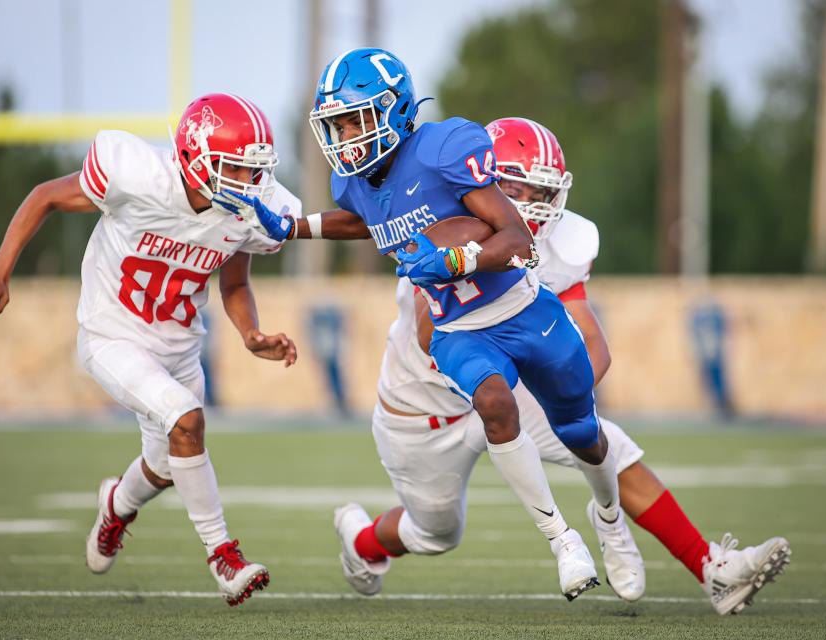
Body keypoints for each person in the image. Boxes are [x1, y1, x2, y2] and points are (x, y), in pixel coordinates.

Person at [331, 115, 788, 615]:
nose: (532, 206)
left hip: (502, 391)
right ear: (479, 183)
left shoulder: (549, 243)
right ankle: (363, 544)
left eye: (542, 193)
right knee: (436, 532)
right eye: (517, 189)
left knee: (607, 444)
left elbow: (594, 343)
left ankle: (711, 567)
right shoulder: (437, 228)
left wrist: (564, 401)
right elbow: (430, 333)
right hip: (426, 409)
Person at [225, 47, 637, 601]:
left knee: (586, 436)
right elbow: (365, 220)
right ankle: (564, 541)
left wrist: (457, 260)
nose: (345, 137)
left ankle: (609, 519)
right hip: (458, 330)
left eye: (354, 120)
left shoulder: (444, 149)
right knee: (496, 404)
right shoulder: (356, 181)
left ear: (392, 110)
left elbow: (516, 238)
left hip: (521, 308)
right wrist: (293, 226)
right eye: (337, 125)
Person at [0, 93, 299, 607]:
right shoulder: (137, 177)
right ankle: (223, 555)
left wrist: (250, 333)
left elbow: (234, 284)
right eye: (236, 168)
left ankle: (116, 506)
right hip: (112, 334)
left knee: (166, 465)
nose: (249, 183)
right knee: (187, 421)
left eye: (255, 171)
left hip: (180, 349)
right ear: (195, 157)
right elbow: (44, 196)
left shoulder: (246, 212)